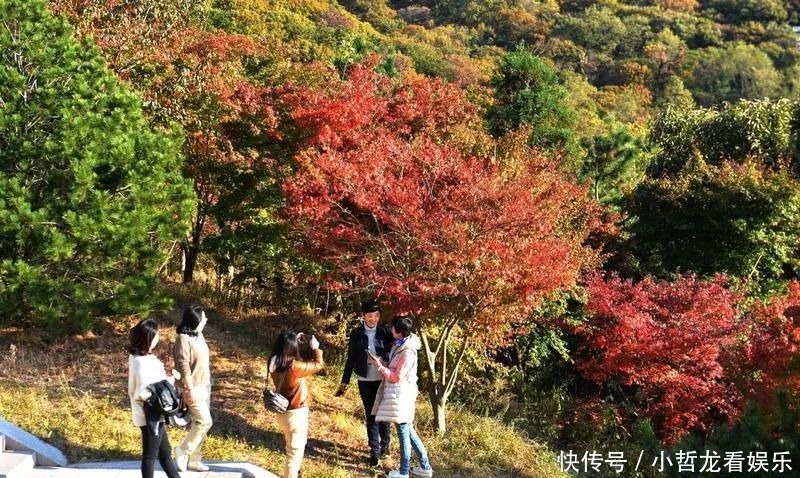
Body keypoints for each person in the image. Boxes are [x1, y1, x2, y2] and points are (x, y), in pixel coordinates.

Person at [370, 315, 434, 478]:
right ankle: (425, 467)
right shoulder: (400, 345)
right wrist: (382, 363)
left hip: (402, 395)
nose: (391, 330)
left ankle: (404, 471)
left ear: (399, 332)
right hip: (399, 394)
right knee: (409, 431)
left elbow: (396, 376)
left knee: (403, 433)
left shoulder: (408, 352)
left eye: (393, 328)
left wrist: (379, 367)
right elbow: (393, 366)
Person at [336, 299, 393, 466]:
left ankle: (385, 447)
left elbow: (394, 352)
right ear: (363, 316)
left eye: (376, 316)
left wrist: (385, 360)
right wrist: (345, 380)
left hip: (383, 378)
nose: (373, 319)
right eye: (370, 316)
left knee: (384, 414)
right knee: (371, 415)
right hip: (364, 379)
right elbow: (351, 358)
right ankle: (374, 451)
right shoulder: (356, 334)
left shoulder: (385, 332)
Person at [127, 318, 183, 478]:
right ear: (148, 338)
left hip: (153, 414)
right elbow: (146, 391)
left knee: (165, 453)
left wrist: (168, 379)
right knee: (150, 456)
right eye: (156, 335)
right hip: (150, 415)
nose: (158, 337)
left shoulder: (136, 356)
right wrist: (170, 380)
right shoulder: (142, 362)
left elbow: (153, 385)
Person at [269, 331, 325, 478]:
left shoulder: (273, 362)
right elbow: (318, 365)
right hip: (296, 415)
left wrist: (294, 339)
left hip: (282, 413)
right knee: (293, 456)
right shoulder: (293, 367)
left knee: (291, 447)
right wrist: (315, 348)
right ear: (292, 348)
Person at [173, 305, 213, 472]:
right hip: (192, 387)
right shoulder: (183, 339)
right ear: (195, 320)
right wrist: (188, 390)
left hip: (205, 386)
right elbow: (183, 366)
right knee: (205, 421)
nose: (206, 320)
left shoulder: (199, 335)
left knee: (199, 423)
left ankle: (195, 460)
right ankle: (182, 450)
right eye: (203, 318)